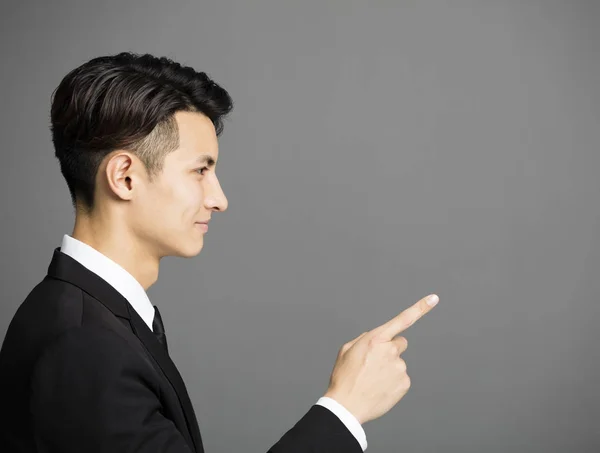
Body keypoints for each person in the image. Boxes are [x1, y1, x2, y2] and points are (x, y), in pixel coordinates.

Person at [0, 52, 439, 452]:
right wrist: (345, 409)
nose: (219, 198)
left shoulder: (90, 317)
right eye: (200, 171)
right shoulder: (84, 347)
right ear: (125, 177)